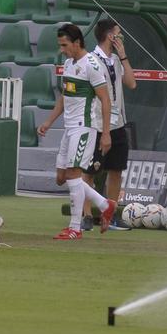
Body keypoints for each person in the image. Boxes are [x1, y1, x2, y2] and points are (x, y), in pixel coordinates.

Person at [36, 24, 117, 240]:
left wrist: (106, 133)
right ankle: (104, 204)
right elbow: (64, 97)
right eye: (60, 45)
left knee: (74, 174)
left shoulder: (92, 65)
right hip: (69, 128)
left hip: (85, 127)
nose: (62, 49)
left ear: (77, 43)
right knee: (62, 178)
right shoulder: (69, 63)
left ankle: (75, 228)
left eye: (64, 45)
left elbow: (105, 99)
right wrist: (49, 121)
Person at [91, 18, 137, 229]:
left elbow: (131, 83)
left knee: (116, 170)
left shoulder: (117, 60)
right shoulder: (92, 60)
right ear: (110, 36)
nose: (121, 37)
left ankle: (110, 215)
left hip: (118, 123)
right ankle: (85, 216)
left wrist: (124, 56)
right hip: (98, 124)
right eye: (118, 34)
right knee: (90, 171)